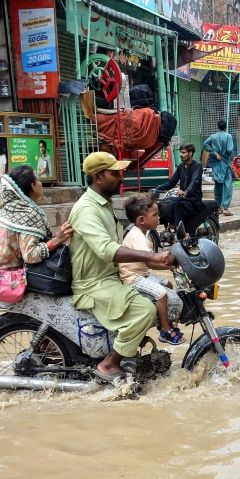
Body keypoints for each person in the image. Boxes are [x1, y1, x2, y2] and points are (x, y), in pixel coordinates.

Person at [68, 152, 177, 383]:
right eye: (115, 173)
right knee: (145, 310)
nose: (121, 177)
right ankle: (110, 364)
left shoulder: (104, 205)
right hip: (94, 283)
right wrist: (153, 257)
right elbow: (108, 250)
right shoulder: (87, 209)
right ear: (98, 177)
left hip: (110, 278)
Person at [0, 165, 72, 277]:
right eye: (38, 180)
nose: (40, 183)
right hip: (9, 281)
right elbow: (30, 255)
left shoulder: (5, 211)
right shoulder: (28, 214)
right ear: (33, 186)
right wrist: (58, 240)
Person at [120, 193, 186, 345]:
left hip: (143, 274)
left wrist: (170, 265)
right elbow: (150, 262)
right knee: (162, 293)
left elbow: (149, 263)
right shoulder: (137, 237)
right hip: (133, 278)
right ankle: (164, 329)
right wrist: (167, 265)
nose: (158, 217)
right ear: (141, 220)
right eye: (155, 215)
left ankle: (164, 321)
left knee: (168, 284)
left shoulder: (143, 234)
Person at [154, 142, 202, 239]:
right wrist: (157, 189)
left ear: (190, 153)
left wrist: (186, 192)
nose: (181, 155)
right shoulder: (180, 167)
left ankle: (183, 235)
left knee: (176, 205)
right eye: (181, 152)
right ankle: (167, 229)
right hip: (183, 198)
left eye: (184, 153)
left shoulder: (197, 166)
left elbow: (195, 181)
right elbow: (172, 182)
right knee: (165, 203)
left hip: (193, 200)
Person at [203, 120, 235, 217]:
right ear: (225, 127)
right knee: (228, 186)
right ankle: (225, 208)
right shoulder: (228, 136)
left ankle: (218, 207)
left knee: (217, 185)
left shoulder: (213, 136)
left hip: (216, 163)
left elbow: (205, 144)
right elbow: (229, 150)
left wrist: (214, 154)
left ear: (218, 127)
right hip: (225, 162)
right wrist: (228, 153)